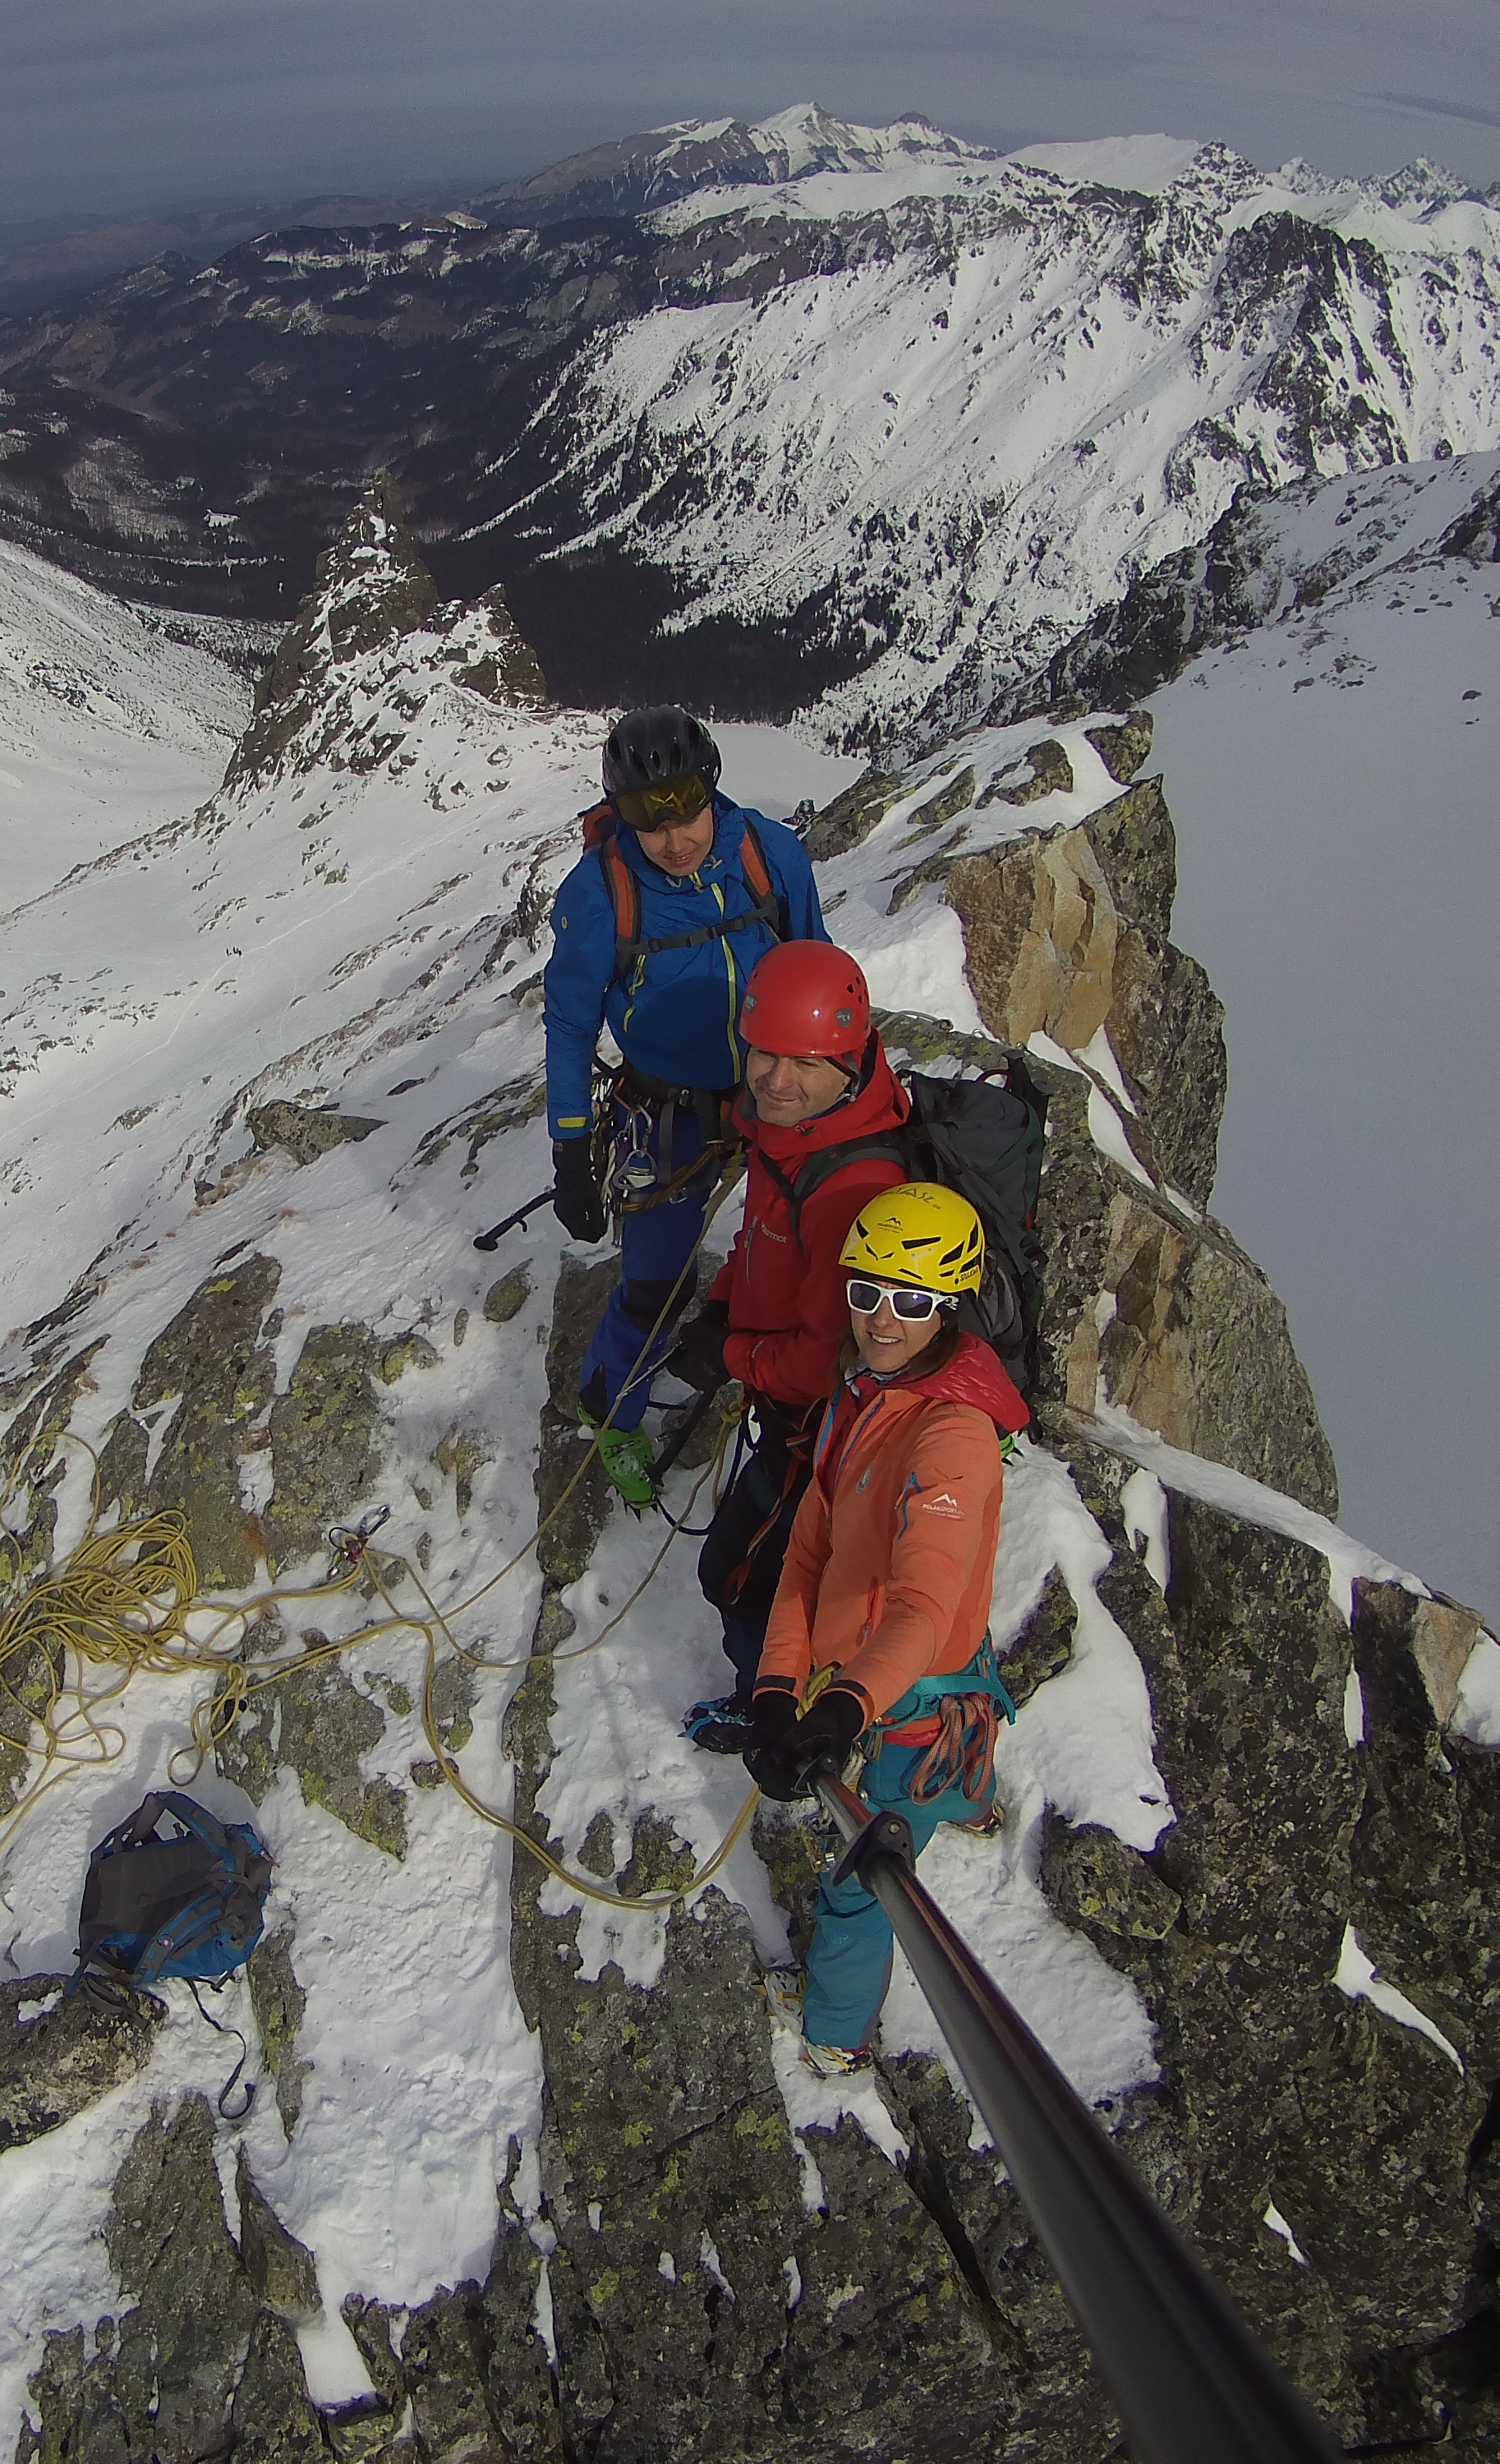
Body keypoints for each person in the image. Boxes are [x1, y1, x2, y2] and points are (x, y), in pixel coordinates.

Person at [741, 1182, 1030, 2078]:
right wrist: (776, 1688)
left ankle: (833, 2034)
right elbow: (806, 1558)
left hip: (903, 1697)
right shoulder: (861, 1395)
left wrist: (844, 1709)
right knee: (940, 1752)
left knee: (864, 1885)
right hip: (900, 1682)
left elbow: (921, 1608)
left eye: (911, 1301)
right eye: (867, 1292)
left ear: (949, 1307)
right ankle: (969, 1802)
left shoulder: (951, 1439)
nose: (882, 1318)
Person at [544, 707, 827, 1500]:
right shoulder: (602, 892)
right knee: (653, 1289)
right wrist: (571, 1150)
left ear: (712, 787)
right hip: (669, 1115)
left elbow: (814, 965)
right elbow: (569, 1023)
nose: (673, 839)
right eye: (645, 817)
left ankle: (785, 1389)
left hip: (775, 1096)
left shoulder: (770, 855)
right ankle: (614, 1414)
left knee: (801, 1255)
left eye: (685, 805)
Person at [674, 940, 913, 1751]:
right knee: (755, 1571)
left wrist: (730, 1356)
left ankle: (769, 1704)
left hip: (817, 1429)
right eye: (764, 1054)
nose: (777, 1078)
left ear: (848, 1059)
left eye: (803, 1062)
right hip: (785, 1409)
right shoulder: (794, 1136)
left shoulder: (853, 1187)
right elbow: (758, 1241)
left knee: (741, 1579)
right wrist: (719, 1308)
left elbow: (829, 1357)